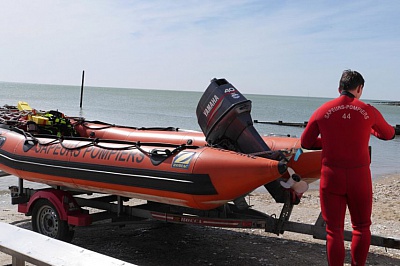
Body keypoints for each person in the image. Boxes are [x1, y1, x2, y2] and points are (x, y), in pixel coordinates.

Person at [300, 70, 395, 265]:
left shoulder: (322, 110)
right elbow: (388, 134)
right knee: (361, 227)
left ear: (339, 88)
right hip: (359, 177)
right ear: (359, 89)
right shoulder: (369, 111)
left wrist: (328, 143)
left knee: (333, 230)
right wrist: (369, 130)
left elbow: (306, 142)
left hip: (331, 176)